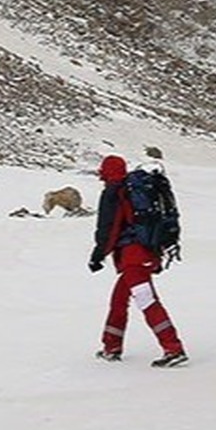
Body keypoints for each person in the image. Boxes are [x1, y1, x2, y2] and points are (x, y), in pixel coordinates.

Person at [88, 155, 187, 368]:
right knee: (119, 300)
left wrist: (98, 255)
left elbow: (108, 228)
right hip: (145, 253)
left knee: (147, 300)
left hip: (134, 257)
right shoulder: (133, 190)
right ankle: (111, 346)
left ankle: (173, 348)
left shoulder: (114, 192)